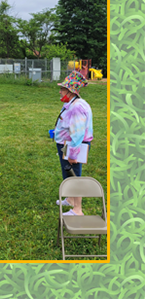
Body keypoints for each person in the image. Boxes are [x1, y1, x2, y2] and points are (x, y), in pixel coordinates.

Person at [53, 71, 93, 216]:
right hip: (67, 145)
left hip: (73, 147)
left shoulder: (77, 107)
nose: (60, 91)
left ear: (70, 91)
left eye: (62, 89)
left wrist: (72, 154)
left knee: (74, 175)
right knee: (68, 174)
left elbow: (78, 133)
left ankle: (77, 210)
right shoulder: (71, 103)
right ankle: (70, 199)